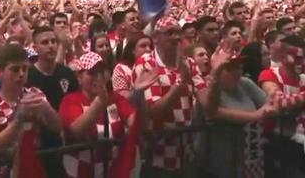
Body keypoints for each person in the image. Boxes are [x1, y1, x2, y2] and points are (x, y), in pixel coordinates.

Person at [131, 15, 209, 177]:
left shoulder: (189, 63)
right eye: (170, 33)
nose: (176, 37)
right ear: (156, 37)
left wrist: (217, 75)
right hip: (158, 155)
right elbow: (154, 111)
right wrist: (180, 85)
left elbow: (208, 104)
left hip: (187, 154)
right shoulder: (147, 64)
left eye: (178, 33)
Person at [0, 44, 61, 177]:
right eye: (15, 69)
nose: (21, 74)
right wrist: (19, 120)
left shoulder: (35, 94)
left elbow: (57, 127)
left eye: (25, 69)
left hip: (33, 170)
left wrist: (46, 109)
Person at [196, 52, 276, 178]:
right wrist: (257, 115)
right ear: (217, 71)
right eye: (230, 68)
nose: (237, 72)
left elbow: (269, 104)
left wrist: (273, 96)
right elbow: (214, 113)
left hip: (248, 156)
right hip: (217, 160)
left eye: (239, 67)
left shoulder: (245, 83)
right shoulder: (204, 87)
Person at [59, 52, 136, 178]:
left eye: (101, 72)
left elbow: (135, 123)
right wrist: (99, 102)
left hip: (112, 172)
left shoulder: (116, 99)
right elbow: (76, 130)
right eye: (92, 73)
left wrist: (139, 94)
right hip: (79, 173)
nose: (98, 77)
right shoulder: (70, 100)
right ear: (79, 77)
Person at [27, 25, 78, 177]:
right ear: (35, 47)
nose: (51, 46)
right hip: (39, 144)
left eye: (53, 41)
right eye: (45, 42)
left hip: (66, 142)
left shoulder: (67, 73)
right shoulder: (28, 76)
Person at [258, 35, 305, 177]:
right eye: (297, 58)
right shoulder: (270, 74)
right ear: (283, 57)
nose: (302, 62)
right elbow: (279, 102)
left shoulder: (303, 79)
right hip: (276, 141)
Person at [112, 34, 153, 98]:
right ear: (132, 50)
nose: (148, 49)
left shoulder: (154, 66)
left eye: (150, 46)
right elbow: (122, 99)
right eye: (143, 46)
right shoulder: (121, 69)